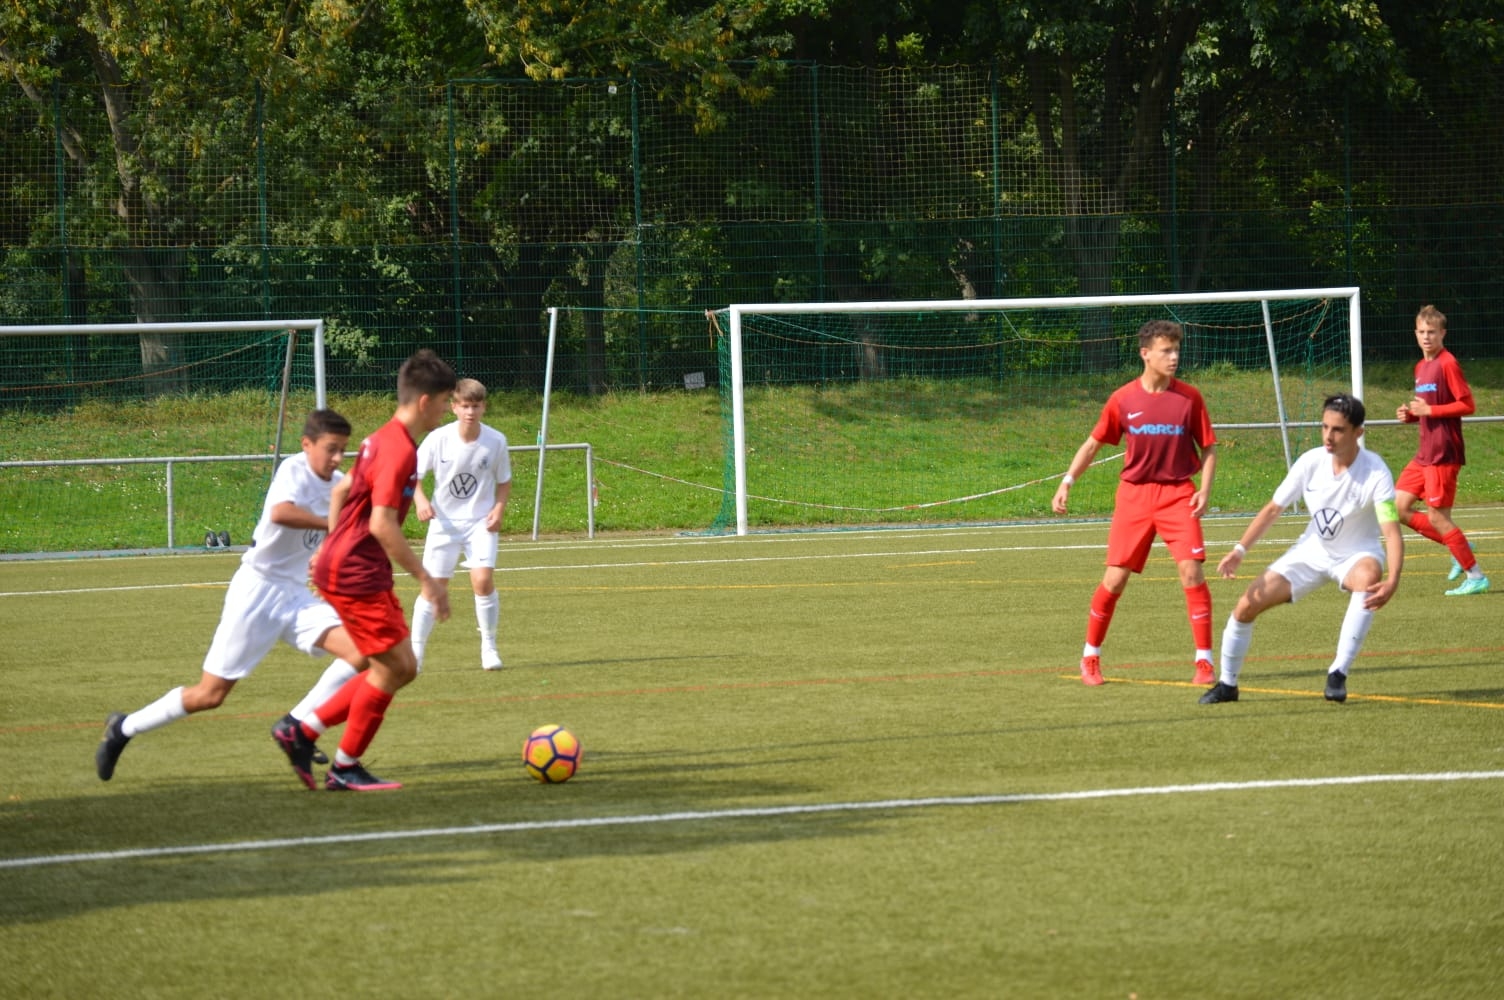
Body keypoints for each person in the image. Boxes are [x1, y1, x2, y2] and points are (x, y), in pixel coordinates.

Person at [95, 409, 366, 781]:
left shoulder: (338, 483)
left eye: (343, 451)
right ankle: (124, 727)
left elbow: (334, 539)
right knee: (210, 694)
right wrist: (331, 523)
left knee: (362, 651)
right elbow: (281, 512)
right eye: (331, 449)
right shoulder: (294, 470)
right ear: (307, 445)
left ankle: (296, 727)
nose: (337, 459)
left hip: (295, 595)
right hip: (257, 589)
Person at [272, 349, 458, 791]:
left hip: (350, 566)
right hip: (358, 572)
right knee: (395, 668)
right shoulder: (398, 451)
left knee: (398, 666)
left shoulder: (381, 439)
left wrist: (332, 543)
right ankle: (339, 762)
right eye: (447, 400)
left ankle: (305, 731)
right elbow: (381, 523)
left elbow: (343, 491)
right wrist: (427, 581)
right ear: (426, 401)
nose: (449, 409)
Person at [1200, 393, 1403, 705]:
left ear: (1357, 433)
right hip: (1310, 552)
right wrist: (1240, 549)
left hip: (1355, 554)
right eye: (1324, 427)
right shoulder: (1311, 462)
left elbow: (1390, 531)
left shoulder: (1376, 472)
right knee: (1245, 606)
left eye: (1337, 430)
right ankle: (1228, 685)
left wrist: (1393, 580)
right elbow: (1272, 509)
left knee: (1368, 577)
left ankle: (1338, 673)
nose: (1328, 436)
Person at [1053, 319, 1219, 687]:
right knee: (1115, 579)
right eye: (1166, 351)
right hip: (1135, 496)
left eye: (1177, 350)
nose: (1174, 357)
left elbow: (1208, 447)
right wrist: (1067, 482)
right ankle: (1090, 656)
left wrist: (1204, 490)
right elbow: (1093, 443)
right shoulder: (1123, 399)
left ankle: (1205, 662)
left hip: (1178, 494)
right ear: (1146, 354)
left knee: (1191, 571)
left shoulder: (1190, 398)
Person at [410, 378, 513, 670]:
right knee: (433, 588)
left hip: (480, 523)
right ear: (454, 407)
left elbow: (504, 481)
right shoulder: (437, 439)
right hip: (444, 524)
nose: (470, 412)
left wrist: (499, 508)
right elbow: (413, 477)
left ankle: (489, 648)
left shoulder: (495, 441)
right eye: (465, 406)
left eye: (476, 406)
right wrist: (420, 501)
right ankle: (415, 653)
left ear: (484, 407)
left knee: (482, 580)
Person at [1394, 304, 1488, 596]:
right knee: (1395, 507)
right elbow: (1426, 409)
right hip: (1424, 454)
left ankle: (1476, 576)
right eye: (1422, 332)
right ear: (1415, 333)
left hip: (1444, 453)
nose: (1426, 337)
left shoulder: (1448, 363)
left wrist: (1430, 410)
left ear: (1442, 333)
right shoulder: (1421, 367)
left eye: (1432, 332)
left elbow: (1467, 404)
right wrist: (1411, 415)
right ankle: (1456, 543)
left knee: (1438, 518)